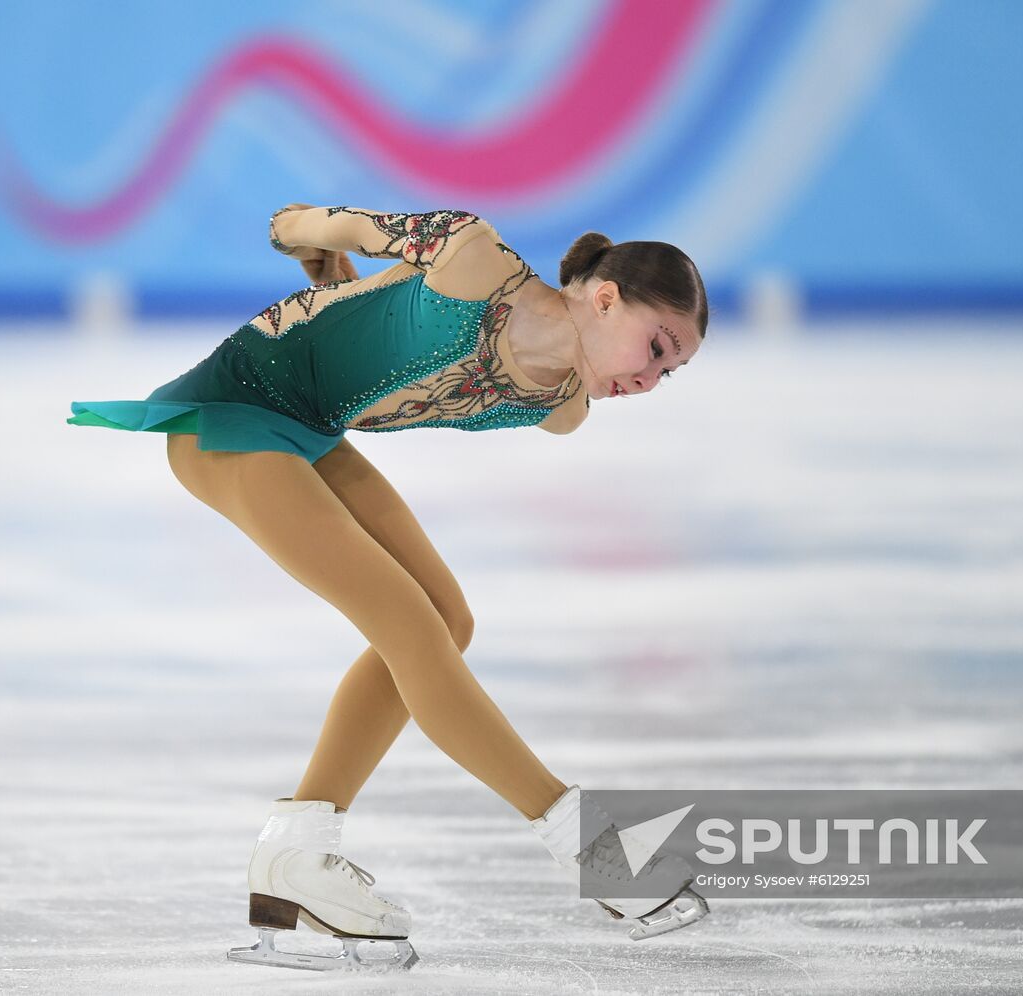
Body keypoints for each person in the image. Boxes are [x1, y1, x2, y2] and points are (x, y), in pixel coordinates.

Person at [67, 203, 710, 971]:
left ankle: (296, 852)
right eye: (657, 346)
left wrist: (342, 293)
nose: (650, 378)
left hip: (308, 428)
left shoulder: (563, 407)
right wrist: (306, 248)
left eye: (669, 371)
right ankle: (593, 850)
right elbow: (299, 222)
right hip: (235, 407)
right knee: (411, 625)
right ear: (604, 298)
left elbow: (392, 338)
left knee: (446, 619)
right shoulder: (471, 253)